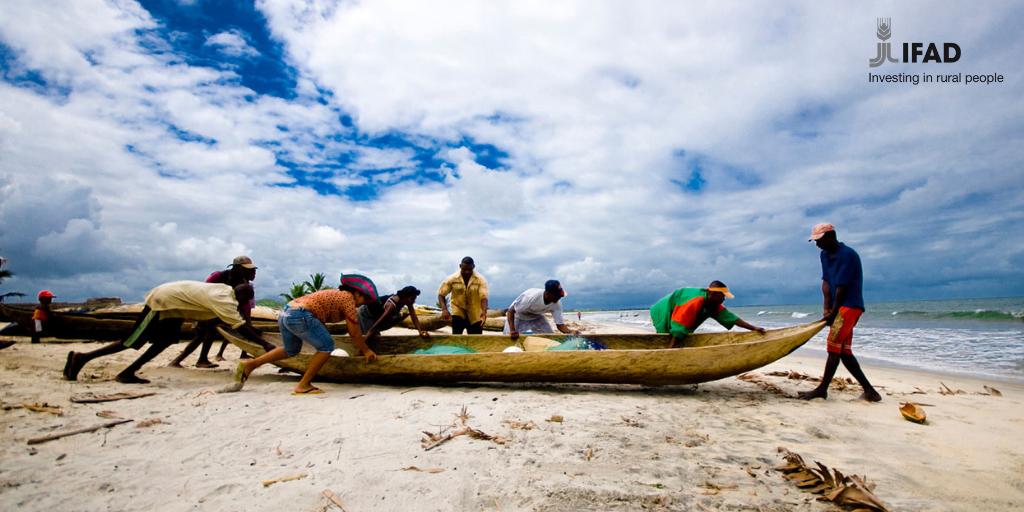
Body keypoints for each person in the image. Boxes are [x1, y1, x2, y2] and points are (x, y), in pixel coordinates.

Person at [62, 282, 268, 384]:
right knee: (131, 341)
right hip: (161, 303)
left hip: (173, 307)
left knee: (166, 341)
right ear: (241, 297)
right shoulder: (224, 300)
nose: (244, 305)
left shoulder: (224, 290)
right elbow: (239, 326)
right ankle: (83, 357)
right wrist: (265, 345)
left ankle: (128, 372)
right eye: (245, 301)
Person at [226, 274, 378, 395]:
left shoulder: (336, 295)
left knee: (290, 349)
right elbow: (354, 333)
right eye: (364, 299)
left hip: (286, 312)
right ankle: (303, 385)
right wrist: (366, 350)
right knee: (327, 346)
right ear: (357, 293)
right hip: (299, 315)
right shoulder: (348, 299)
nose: (363, 303)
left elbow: (320, 316)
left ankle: (250, 365)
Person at [798, 224, 881, 402]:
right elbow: (827, 283)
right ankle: (870, 391)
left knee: (833, 347)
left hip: (850, 306)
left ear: (831, 236)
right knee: (844, 351)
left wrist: (834, 312)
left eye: (819, 240)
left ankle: (822, 389)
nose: (817, 245)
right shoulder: (824, 255)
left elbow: (841, 288)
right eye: (815, 241)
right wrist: (826, 309)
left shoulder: (847, 255)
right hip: (839, 306)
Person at [169, 255, 258, 368]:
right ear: (238, 268)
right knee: (201, 335)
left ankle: (199, 360)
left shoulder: (243, 283)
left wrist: (248, 323)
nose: (251, 272)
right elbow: (203, 292)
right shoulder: (219, 276)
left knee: (208, 334)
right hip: (207, 309)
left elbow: (245, 305)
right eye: (249, 269)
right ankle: (181, 361)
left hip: (222, 311)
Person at [649, 281, 766, 348]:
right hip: (662, 310)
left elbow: (731, 318)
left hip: (677, 308)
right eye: (723, 295)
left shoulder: (712, 304)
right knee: (666, 336)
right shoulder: (695, 301)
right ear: (712, 293)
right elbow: (680, 326)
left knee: (680, 336)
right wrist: (670, 352)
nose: (724, 298)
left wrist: (754, 328)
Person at [505, 280, 578, 340]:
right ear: (548, 293)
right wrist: (512, 330)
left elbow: (560, 325)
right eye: (557, 296)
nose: (559, 298)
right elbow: (511, 311)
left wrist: (570, 332)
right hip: (518, 316)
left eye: (560, 296)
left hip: (536, 316)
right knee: (509, 338)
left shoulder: (557, 304)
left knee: (550, 337)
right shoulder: (530, 297)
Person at [359, 286, 430, 347]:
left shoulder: (408, 301)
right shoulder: (392, 304)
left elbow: (414, 316)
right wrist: (370, 332)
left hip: (376, 315)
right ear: (405, 297)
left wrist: (420, 331)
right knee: (372, 339)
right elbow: (380, 320)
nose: (414, 301)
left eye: (414, 299)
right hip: (366, 314)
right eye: (412, 298)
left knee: (400, 316)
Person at [437, 257, 490, 334]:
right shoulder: (451, 279)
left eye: (469, 270)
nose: (467, 272)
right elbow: (441, 294)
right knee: (456, 337)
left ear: (473, 267)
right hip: (458, 311)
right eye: (464, 269)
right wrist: (444, 309)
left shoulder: (481, 280)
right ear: (460, 266)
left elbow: (484, 298)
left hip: (475, 313)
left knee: (475, 339)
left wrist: (484, 312)